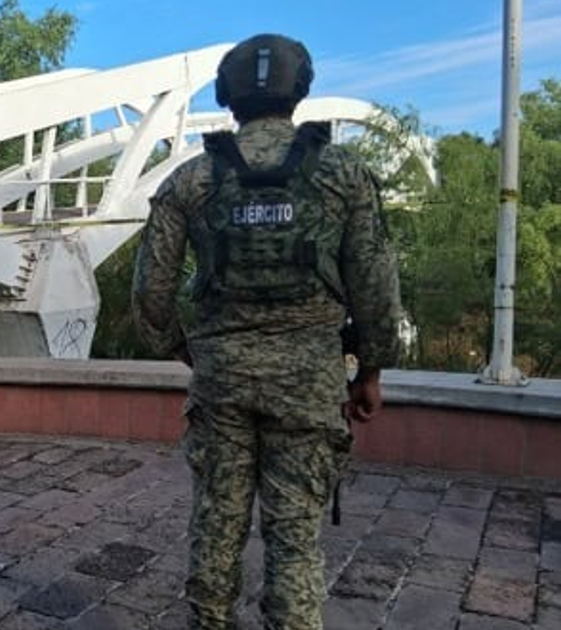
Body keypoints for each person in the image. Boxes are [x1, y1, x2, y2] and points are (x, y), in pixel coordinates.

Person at [131, 34, 402, 630]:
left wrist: (192, 353)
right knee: (295, 541)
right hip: (308, 386)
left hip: (221, 384)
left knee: (215, 528)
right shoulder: (343, 175)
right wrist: (371, 373)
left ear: (228, 94)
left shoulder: (191, 180)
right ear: (299, 90)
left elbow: (149, 294)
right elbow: (378, 288)